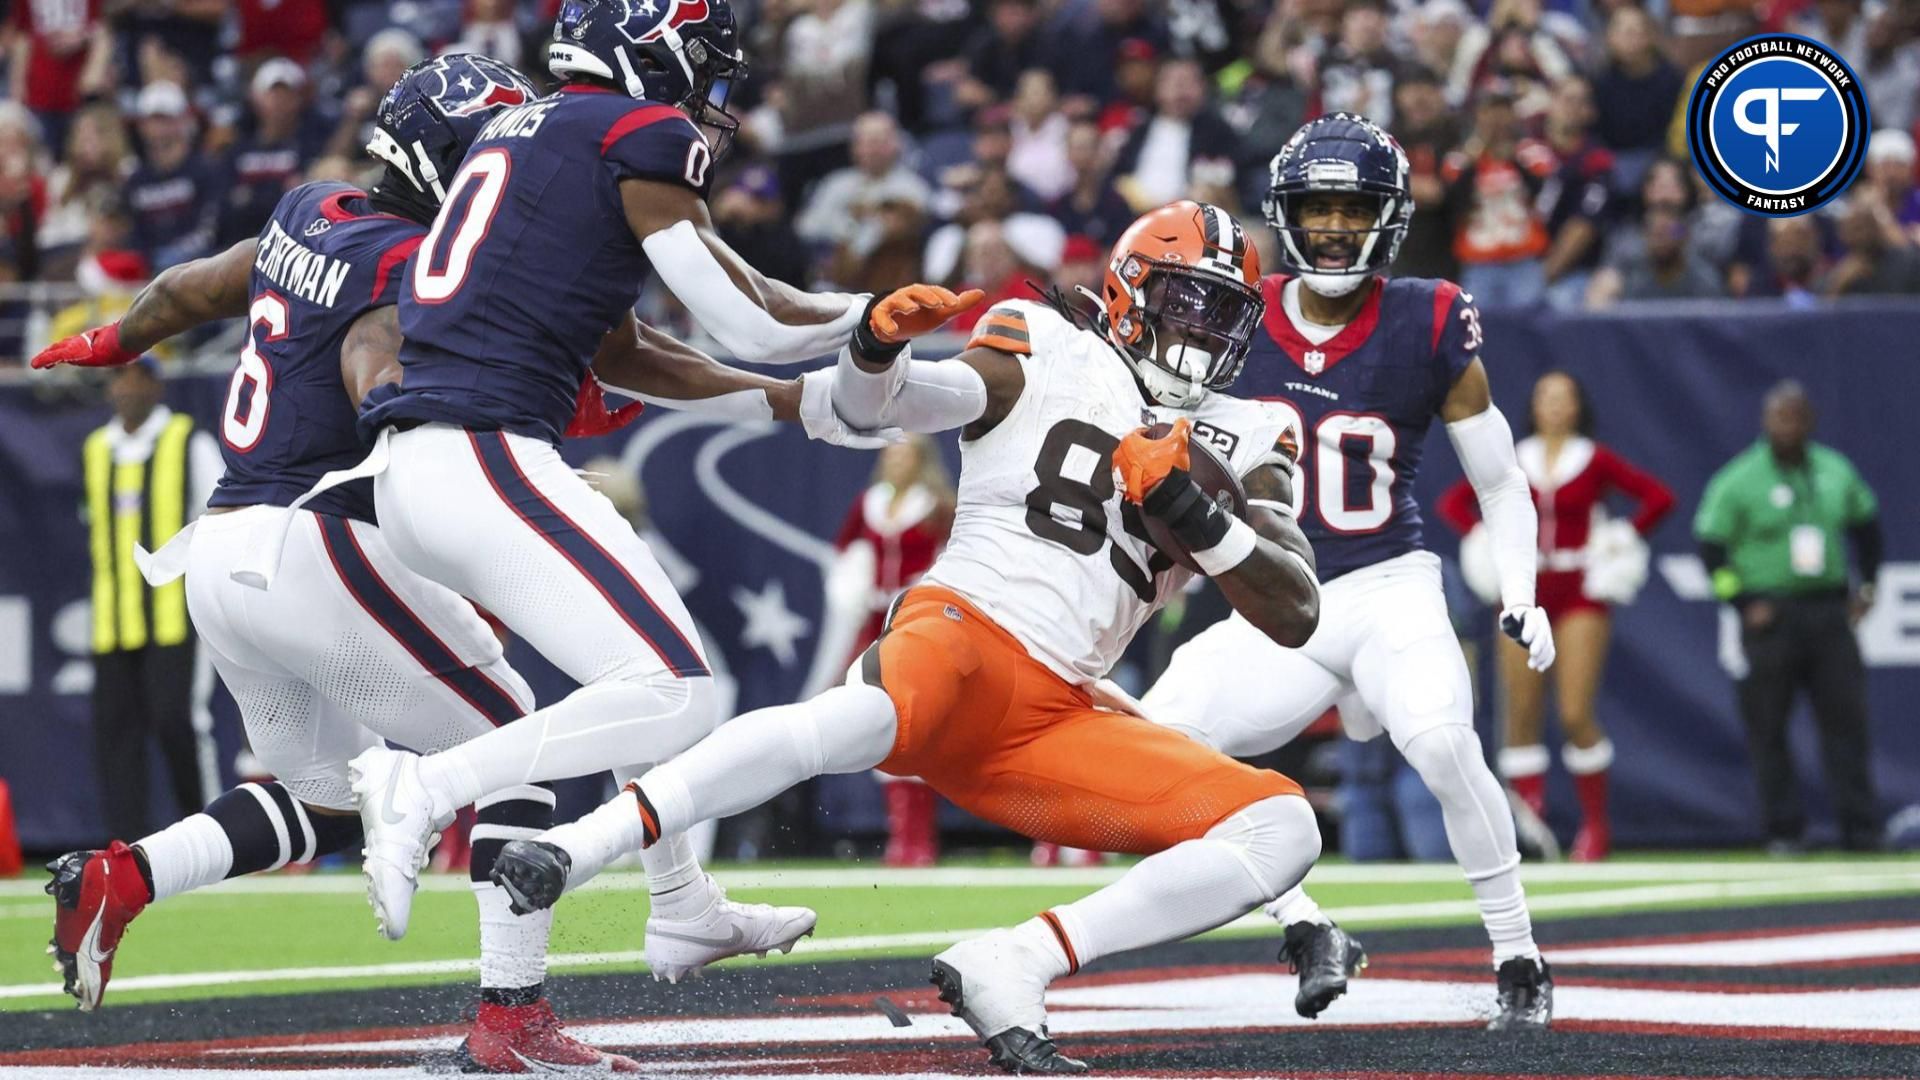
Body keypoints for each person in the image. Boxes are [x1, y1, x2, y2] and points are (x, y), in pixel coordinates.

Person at [493, 202, 1325, 1075]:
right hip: (966, 630)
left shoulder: (1254, 428)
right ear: (1128, 290)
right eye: (1188, 303)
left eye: (1223, 313)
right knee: (849, 722)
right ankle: (578, 846)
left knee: (1280, 827)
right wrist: (875, 351)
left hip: (1057, 716)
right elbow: (883, 408)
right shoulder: (1044, 340)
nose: (1202, 332)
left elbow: (1294, 606)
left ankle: (1016, 960)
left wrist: (1190, 510)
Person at [30, 56, 666, 1072]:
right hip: (308, 543)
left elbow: (187, 288)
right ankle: (512, 1022)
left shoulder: (305, 208)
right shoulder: (411, 264)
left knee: (327, 798)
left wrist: (112, 339)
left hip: (223, 553)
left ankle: (128, 875)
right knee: (517, 735)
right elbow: (378, 366)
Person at [340, 0, 938, 949]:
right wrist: (865, 328)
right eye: (700, 61)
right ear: (650, 51)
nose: (710, 89)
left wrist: (800, 386)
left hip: (428, 465)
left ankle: (682, 905)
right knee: (679, 689)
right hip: (484, 448)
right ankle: (425, 788)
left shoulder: (538, 136)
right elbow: (749, 321)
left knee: (641, 681)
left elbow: (631, 352)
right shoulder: (635, 129)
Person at [1140, 114, 1556, 1028]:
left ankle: (1519, 955)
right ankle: (1305, 926)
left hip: (1384, 584)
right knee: (1152, 746)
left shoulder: (1430, 316)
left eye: (1352, 206)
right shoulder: (1235, 315)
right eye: (1318, 207)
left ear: (1389, 217)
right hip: (1276, 598)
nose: (1333, 226)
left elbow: (1500, 479)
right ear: (1288, 214)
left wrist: (1521, 590)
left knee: (1443, 744)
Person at [1438, 370, 1675, 861]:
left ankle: (1594, 827)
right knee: (1521, 716)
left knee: (1573, 712)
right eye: (1546, 397)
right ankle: (1532, 829)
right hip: (1524, 589)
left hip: (1579, 588)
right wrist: (1484, 538)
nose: (1554, 406)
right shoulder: (1513, 456)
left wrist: (1621, 537)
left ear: (1577, 407)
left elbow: (1658, 498)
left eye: (1564, 398)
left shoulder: (1593, 458)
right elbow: (1454, 503)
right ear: (1534, 406)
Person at [1695, 381, 1884, 853]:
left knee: (1846, 723)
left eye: (1797, 417)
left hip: (1827, 609)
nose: (1788, 426)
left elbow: (1868, 528)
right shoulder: (1740, 478)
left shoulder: (1834, 470)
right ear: (1765, 421)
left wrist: (1868, 586)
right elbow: (1711, 548)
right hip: (1770, 614)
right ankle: (1784, 830)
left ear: (1810, 421)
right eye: (1780, 417)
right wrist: (1739, 602)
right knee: (1768, 727)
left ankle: (1861, 829)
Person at [78, 357, 222, 842]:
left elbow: (219, 518)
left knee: (178, 723)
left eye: (135, 376)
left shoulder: (187, 441)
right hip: (112, 619)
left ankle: (206, 838)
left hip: (174, 616)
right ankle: (125, 847)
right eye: (117, 377)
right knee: (115, 737)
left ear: (157, 385)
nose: (124, 387)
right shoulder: (97, 448)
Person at [806, 438, 955, 867]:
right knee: (882, 724)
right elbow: (844, 554)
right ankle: (899, 835)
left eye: (904, 455)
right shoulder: (869, 503)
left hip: (917, 622)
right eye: (890, 454)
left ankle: (920, 837)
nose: (895, 461)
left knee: (919, 726)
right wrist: (854, 586)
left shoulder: (937, 505)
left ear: (921, 461)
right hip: (875, 627)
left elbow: (956, 560)